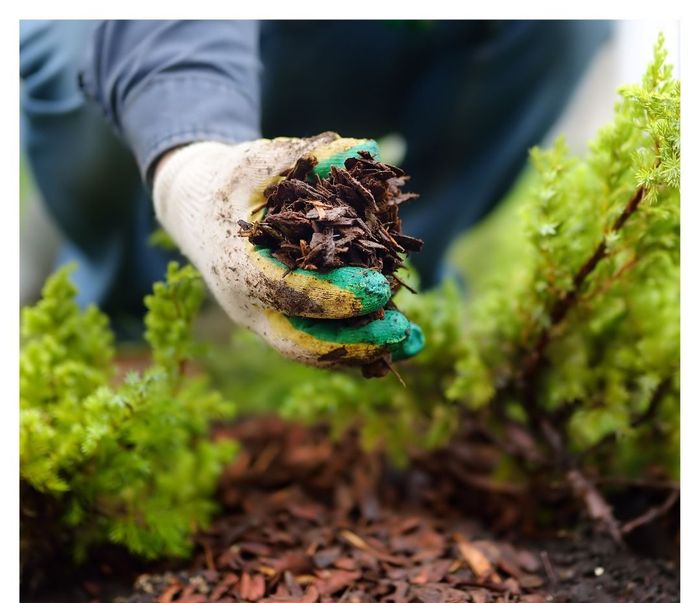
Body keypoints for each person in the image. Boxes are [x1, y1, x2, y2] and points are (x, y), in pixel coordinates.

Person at [20, 20, 610, 368]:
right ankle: (118, 275)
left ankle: (380, 289)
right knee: (85, 42)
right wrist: (190, 168)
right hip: (176, 38)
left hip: (345, 43)